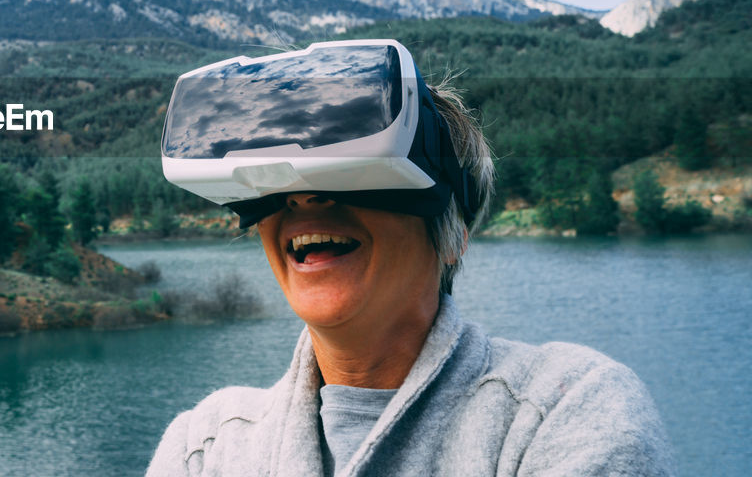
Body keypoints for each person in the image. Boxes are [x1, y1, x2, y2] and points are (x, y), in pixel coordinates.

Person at [148, 39, 674, 476]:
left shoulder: (562, 410)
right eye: (276, 184)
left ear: (453, 233)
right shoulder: (206, 447)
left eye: (349, 172)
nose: (303, 198)